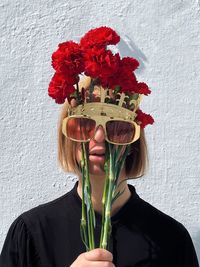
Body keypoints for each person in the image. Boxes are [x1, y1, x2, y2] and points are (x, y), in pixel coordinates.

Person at [0, 27, 199, 267]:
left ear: (133, 142)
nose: (98, 136)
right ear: (68, 137)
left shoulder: (171, 240)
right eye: (84, 124)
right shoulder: (32, 233)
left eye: (116, 126)